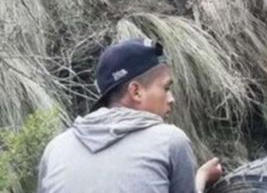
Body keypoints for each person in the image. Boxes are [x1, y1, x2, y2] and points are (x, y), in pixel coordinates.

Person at [37, 39, 224, 193]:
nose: (171, 99)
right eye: (166, 88)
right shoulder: (169, 141)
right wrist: (201, 178)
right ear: (136, 91)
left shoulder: (55, 149)